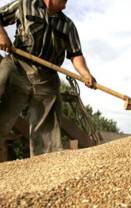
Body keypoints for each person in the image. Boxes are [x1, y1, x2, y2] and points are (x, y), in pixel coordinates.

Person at [0, 0, 96, 157]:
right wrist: (2, 35)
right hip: (18, 67)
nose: (65, 6)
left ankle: (43, 167)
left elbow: (76, 54)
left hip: (46, 78)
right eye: (63, 1)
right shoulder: (24, 5)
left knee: (46, 140)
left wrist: (85, 74)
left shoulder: (68, 26)